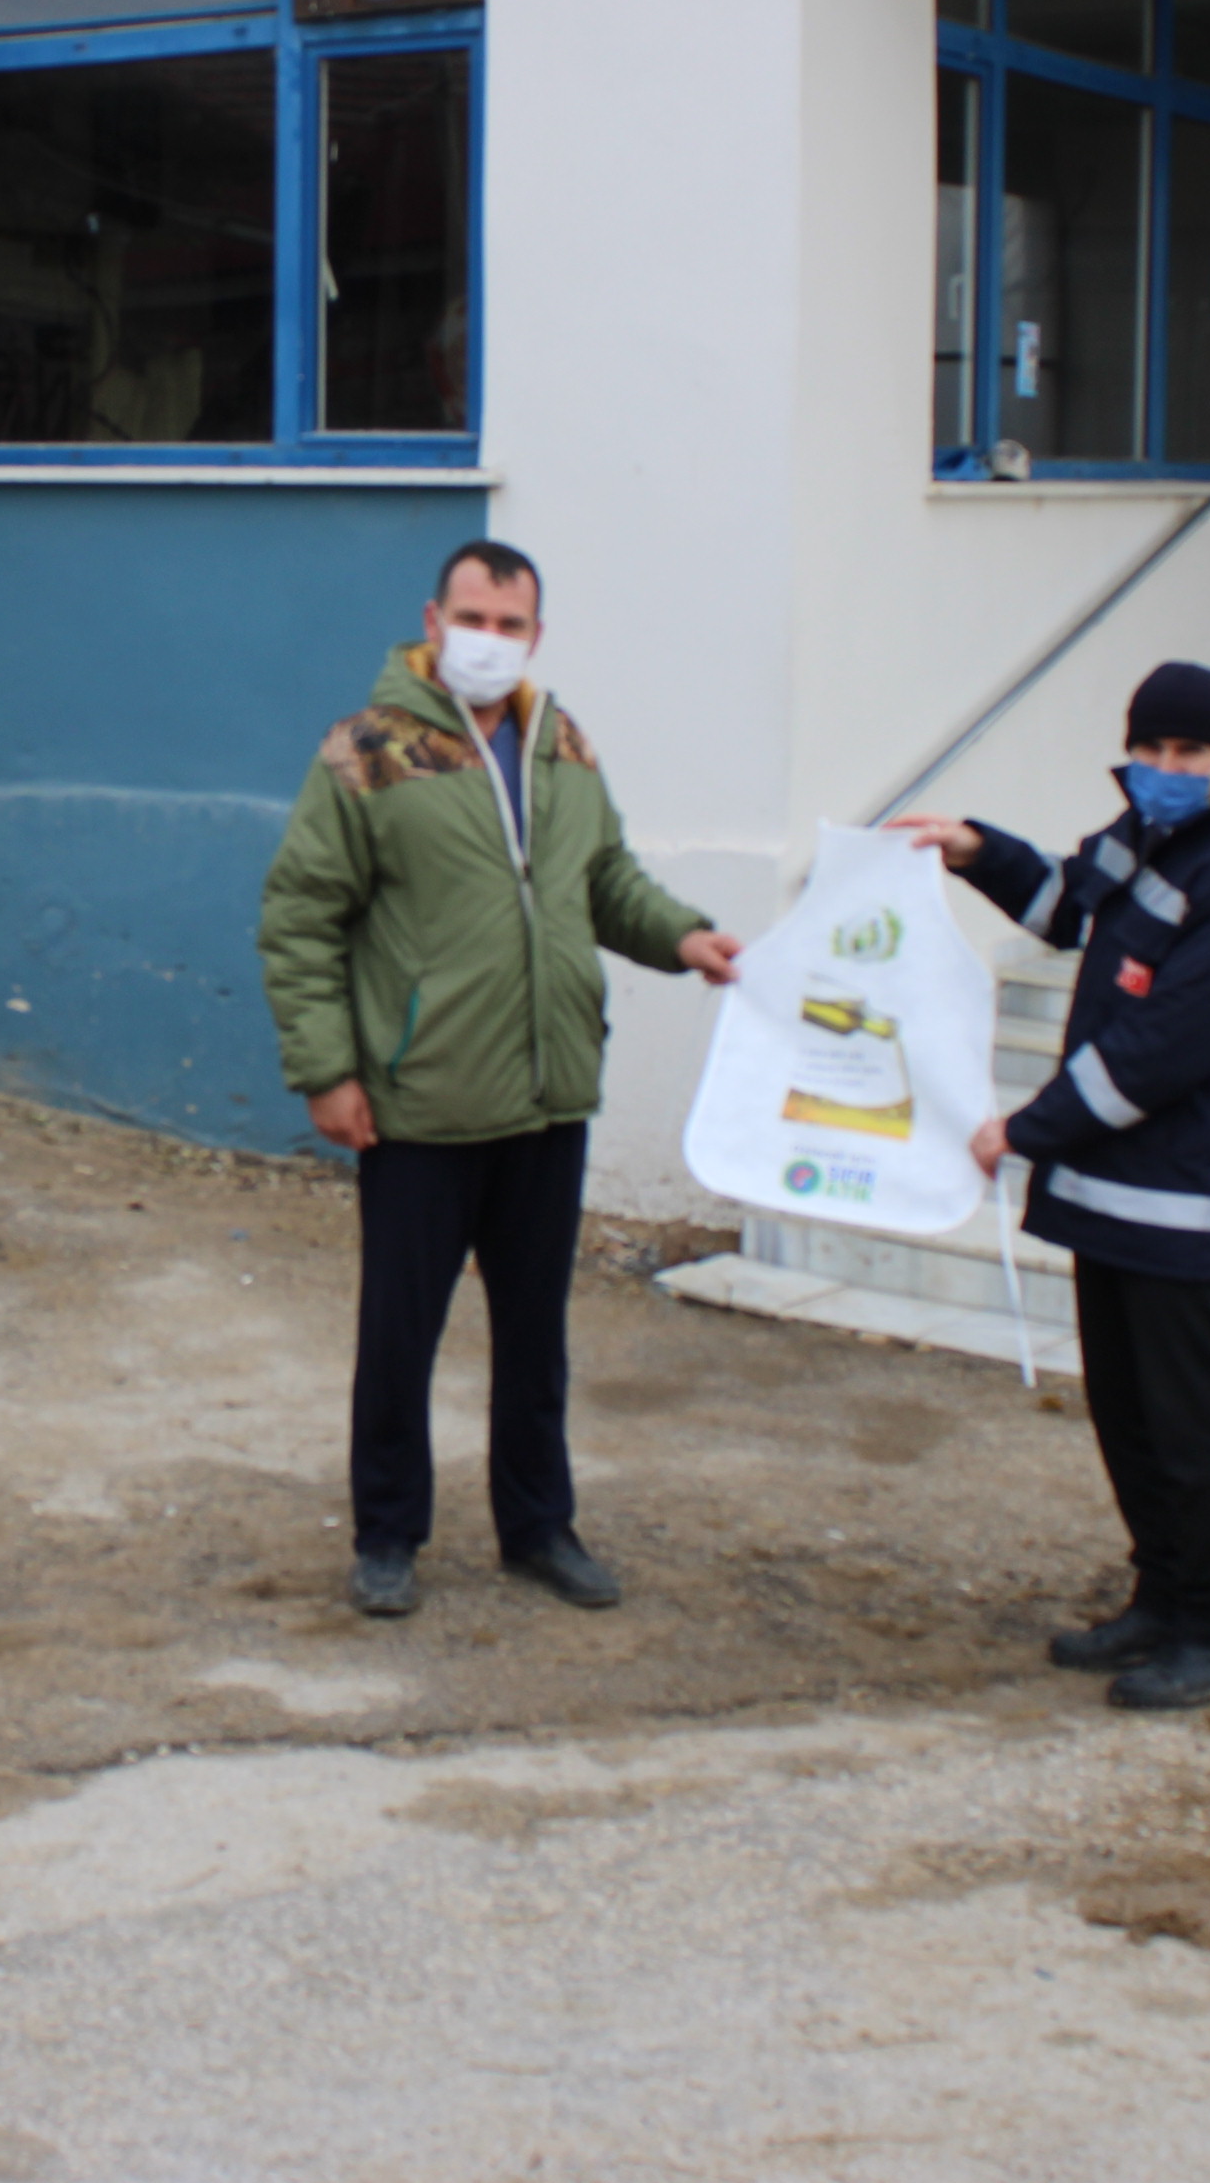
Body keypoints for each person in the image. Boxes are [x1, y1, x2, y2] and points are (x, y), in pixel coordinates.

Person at [258, 541, 741, 1620]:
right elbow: (300, 916)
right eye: (470, 617)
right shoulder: (364, 749)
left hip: (545, 1096)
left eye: (509, 624)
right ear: (433, 619)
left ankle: (540, 1526)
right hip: (421, 1103)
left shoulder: (561, 742)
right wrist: (328, 1071)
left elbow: (604, 879)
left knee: (536, 1332)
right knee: (400, 1332)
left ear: (535, 635)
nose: (487, 639)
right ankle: (387, 1533)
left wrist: (687, 938)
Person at [897, 660, 1210, 1713]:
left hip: (1180, 1198)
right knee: (1127, 1412)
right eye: (1153, 751)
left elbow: (1163, 1049)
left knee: (1186, 1414)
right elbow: (1064, 903)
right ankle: (1161, 1598)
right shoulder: (1147, 836)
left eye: (1191, 754)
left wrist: (1027, 1129)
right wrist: (974, 851)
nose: (1167, 770)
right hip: (1113, 1188)